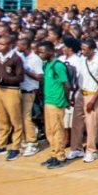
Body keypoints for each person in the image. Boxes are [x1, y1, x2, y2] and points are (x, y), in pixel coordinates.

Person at [0, 36, 25, 161]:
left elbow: (20, 78)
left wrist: (3, 79)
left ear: (9, 45)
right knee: (1, 119)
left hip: (11, 90)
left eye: (2, 44)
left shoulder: (16, 58)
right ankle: (1, 145)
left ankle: (16, 147)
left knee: (15, 120)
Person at [37, 41, 71, 169]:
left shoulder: (58, 66)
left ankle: (61, 156)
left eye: (42, 52)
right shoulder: (46, 65)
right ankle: (54, 154)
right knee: (50, 130)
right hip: (48, 101)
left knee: (57, 130)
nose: (40, 54)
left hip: (57, 101)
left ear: (50, 52)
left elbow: (66, 85)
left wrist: (66, 100)